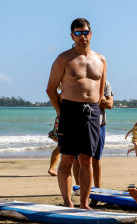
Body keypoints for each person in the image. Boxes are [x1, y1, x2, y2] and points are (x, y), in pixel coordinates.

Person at [46, 18, 107, 209]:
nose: (83, 37)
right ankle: (68, 202)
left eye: (86, 32)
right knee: (67, 158)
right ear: (72, 35)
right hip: (69, 110)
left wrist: (94, 109)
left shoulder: (101, 59)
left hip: (92, 111)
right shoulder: (64, 59)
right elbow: (51, 89)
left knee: (87, 159)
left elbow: (101, 90)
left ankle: (84, 202)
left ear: (91, 33)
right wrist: (60, 112)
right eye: (78, 33)